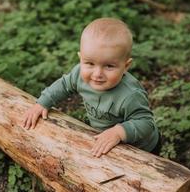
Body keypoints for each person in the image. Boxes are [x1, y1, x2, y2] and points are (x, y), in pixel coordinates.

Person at [21, 17, 161, 157]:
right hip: (104, 140)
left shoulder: (130, 95)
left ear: (126, 66)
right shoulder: (79, 74)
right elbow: (63, 85)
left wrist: (118, 132)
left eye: (109, 66)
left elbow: (146, 123)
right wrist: (43, 103)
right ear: (80, 58)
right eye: (89, 63)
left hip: (141, 148)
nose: (97, 74)